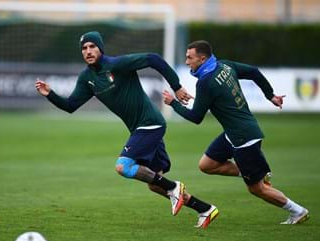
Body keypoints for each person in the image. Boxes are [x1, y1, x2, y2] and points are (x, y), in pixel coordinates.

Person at [35, 32, 219, 228]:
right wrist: (50, 94)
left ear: (100, 48)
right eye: (84, 48)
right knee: (154, 183)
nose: (88, 51)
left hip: (150, 123)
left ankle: (174, 187)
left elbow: (153, 59)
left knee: (123, 166)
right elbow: (70, 105)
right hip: (140, 129)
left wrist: (177, 86)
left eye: (92, 46)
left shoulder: (117, 64)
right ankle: (204, 209)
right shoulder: (87, 78)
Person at [162, 40, 309, 225]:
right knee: (206, 165)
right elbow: (254, 72)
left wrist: (173, 103)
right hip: (234, 133)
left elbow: (196, 117)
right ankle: (254, 171)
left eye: (189, 58)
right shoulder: (224, 65)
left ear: (202, 58)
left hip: (243, 138)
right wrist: (270, 95)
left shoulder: (206, 82)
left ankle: (298, 211)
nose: (186, 62)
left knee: (257, 189)